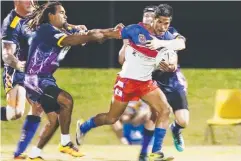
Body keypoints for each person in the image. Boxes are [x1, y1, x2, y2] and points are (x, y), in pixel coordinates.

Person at [75, 3, 179, 161]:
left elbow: (177, 49)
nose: (163, 26)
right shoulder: (135, 30)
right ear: (154, 20)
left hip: (145, 83)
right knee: (111, 118)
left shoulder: (166, 37)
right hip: (127, 81)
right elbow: (107, 33)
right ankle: (84, 127)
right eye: (160, 22)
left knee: (165, 110)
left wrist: (171, 66)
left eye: (167, 23)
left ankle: (156, 152)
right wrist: (86, 36)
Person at [23, 1, 121, 160]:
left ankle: (35, 154)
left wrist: (112, 33)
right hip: (34, 80)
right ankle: (65, 143)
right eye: (61, 12)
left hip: (45, 79)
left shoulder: (63, 28)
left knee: (54, 120)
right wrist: (88, 36)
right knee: (66, 100)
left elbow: (89, 32)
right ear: (51, 15)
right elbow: (73, 40)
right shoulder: (46, 30)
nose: (65, 16)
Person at [1, 1, 43, 159]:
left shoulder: (38, 15)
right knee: (15, 112)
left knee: (38, 107)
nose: (31, 1)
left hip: (33, 72)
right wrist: (18, 64)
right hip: (16, 71)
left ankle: (19, 153)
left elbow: (58, 23)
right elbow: (6, 54)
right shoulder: (12, 22)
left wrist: (74, 29)